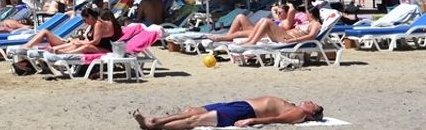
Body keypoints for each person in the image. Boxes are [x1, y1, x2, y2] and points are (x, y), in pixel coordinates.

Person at [133, 97, 323, 128]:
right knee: (190, 111)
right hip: (240, 104)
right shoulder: (296, 106)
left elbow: (278, 119)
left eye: (313, 105)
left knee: (196, 119)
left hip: (245, 111)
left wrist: (251, 121)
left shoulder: (299, 114)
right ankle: (155, 120)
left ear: (311, 114)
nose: (310, 101)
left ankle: (155, 127)